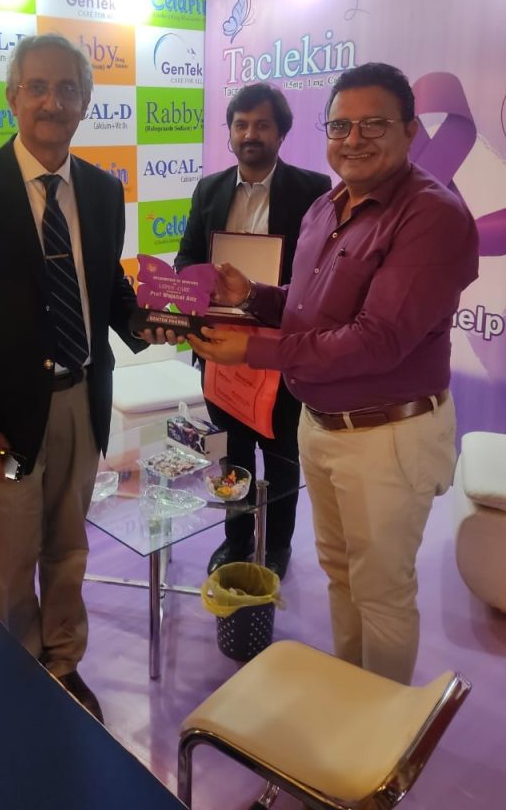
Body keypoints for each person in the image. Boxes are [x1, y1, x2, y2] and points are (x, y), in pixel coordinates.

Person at [189, 62, 479, 684]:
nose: (354, 139)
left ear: (409, 130)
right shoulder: (328, 206)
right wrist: (254, 296)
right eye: (341, 125)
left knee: (382, 594)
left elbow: (378, 340)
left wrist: (254, 351)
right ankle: (350, 695)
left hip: (386, 436)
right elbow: (307, 306)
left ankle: (380, 727)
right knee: (341, 575)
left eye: (374, 124)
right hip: (320, 425)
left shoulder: (431, 214)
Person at [0, 33, 145, 723]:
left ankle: (64, 664)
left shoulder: (102, 190)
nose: (52, 102)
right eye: (38, 87)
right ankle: (16, 677)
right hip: (5, 420)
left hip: (81, 402)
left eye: (68, 89)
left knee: (70, 548)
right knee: (13, 559)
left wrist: (158, 323)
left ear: (85, 103)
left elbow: (106, 289)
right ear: (12, 97)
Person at [176, 84, 330, 578]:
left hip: (279, 347)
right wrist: (197, 288)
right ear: (229, 133)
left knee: (282, 457)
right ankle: (236, 539)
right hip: (220, 348)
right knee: (233, 454)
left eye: (262, 125)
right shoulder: (209, 189)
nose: (250, 134)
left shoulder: (314, 189)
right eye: (241, 125)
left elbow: (320, 273)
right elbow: (186, 257)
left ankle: (277, 546)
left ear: (281, 133)